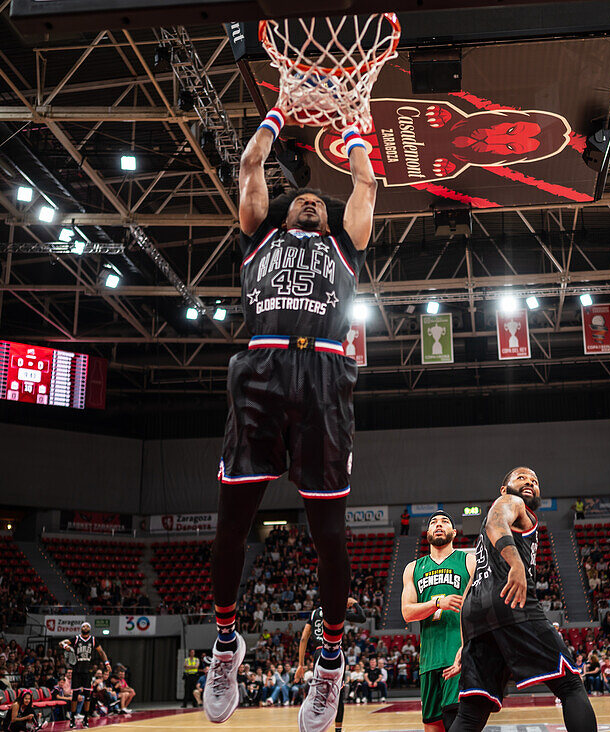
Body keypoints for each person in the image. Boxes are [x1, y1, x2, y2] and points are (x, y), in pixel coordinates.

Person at [204, 94, 378, 732]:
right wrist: (280, 110)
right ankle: (226, 644)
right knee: (230, 527)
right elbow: (251, 163)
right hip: (261, 370)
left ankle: (330, 660)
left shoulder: (346, 246)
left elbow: (363, 182)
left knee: (329, 536)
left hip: (326, 373)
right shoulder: (257, 238)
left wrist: (355, 120)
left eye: (320, 203)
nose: (313, 199)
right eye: (303, 198)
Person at [449, 467, 597, 732]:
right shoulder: (510, 502)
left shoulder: (495, 532)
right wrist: (516, 564)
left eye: (535, 480)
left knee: (473, 711)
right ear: (504, 489)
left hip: (477, 615)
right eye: (521, 477)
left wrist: (465, 642)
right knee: (570, 684)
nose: (529, 481)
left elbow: (471, 585)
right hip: (511, 603)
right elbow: (496, 522)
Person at [402, 510, 476, 732]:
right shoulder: (413, 568)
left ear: (454, 532)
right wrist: (437, 603)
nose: (439, 524)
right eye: (434, 522)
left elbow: (478, 610)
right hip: (429, 660)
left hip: (458, 656)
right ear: (428, 532)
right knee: (432, 726)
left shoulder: (468, 560)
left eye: (445, 522)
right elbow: (407, 613)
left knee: (457, 723)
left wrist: (468, 648)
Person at [295, 596, 365, 732]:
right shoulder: (337, 611)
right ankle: (338, 730)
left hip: (318, 654)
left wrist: (300, 664)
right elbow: (361, 617)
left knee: (319, 694)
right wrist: (355, 603)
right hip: (335, 653)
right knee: (337, 692)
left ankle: (315, 726)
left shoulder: (314, 613)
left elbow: (304, 638)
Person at [59, 622, 111, 728]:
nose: (85, 627)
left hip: (88, 671)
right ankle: (72, 718)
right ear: (81, 628)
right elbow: (61, 642)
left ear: (90, 629)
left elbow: (101, 652)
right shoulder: (76, 639)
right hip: (77, 671)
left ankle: (86, 719)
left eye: (87, 626)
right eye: (83, 626)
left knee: (88, 697)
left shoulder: (93, 640)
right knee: (75, 696)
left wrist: (107, 663)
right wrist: (65, 646)